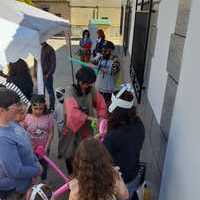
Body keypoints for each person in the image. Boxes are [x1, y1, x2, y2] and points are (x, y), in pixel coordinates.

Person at [59, 67, 107, 174]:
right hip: (71, 127)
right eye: (87, 83)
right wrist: (89, 118)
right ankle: (71, 174)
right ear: (80, 82)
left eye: (91, 84)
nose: (90, 86)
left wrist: (101, 118)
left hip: (86, 128)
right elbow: (72, 113)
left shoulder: (91, 89)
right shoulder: (70, 92)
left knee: (86, 152)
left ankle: (83, 172)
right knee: (70, 152)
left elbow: (101, 103)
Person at [104, 85, 145, 199]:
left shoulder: (113, 136)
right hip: (134, 174)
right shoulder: (138, 123)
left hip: (119, 181)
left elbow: (104, 160)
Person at [0, 88, 41, 199]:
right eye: (15, 106)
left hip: (26, 181)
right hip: (14, 191)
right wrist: (37, 169)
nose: (19, 108)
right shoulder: (3, 138)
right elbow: (15, 171)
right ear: (2, 110)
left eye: (19, 104)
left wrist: (34, 161)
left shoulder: (11, 123)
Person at [24, 95, 54, 181]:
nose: (38, 111)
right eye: (35, 108)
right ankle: (33, 184)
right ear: (31, 107)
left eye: (41, 108)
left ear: (44, 107)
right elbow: (22, 132)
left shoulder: (48, 116)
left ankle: (43, 181)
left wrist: (46, 147)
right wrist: (30, 145)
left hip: (44, 148)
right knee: (32, 166)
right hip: (31, 149)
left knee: (44, 165)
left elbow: (51, 133)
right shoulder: (26, 117)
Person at [41, 42, 56, 111]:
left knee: (50, 92)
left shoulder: (50, 49)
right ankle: (42, 107)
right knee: (41, 92)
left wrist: (49, 74)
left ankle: (52, 107)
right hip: (40, 75)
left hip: (46, 75)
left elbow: (53, 63)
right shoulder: (39, 48)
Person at [54, 87, 65, 159]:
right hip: (64, 125)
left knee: (60, 139)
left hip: (59, 125)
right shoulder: (66, 105)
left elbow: (54, 117)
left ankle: (60, 152)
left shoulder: (57, 106)